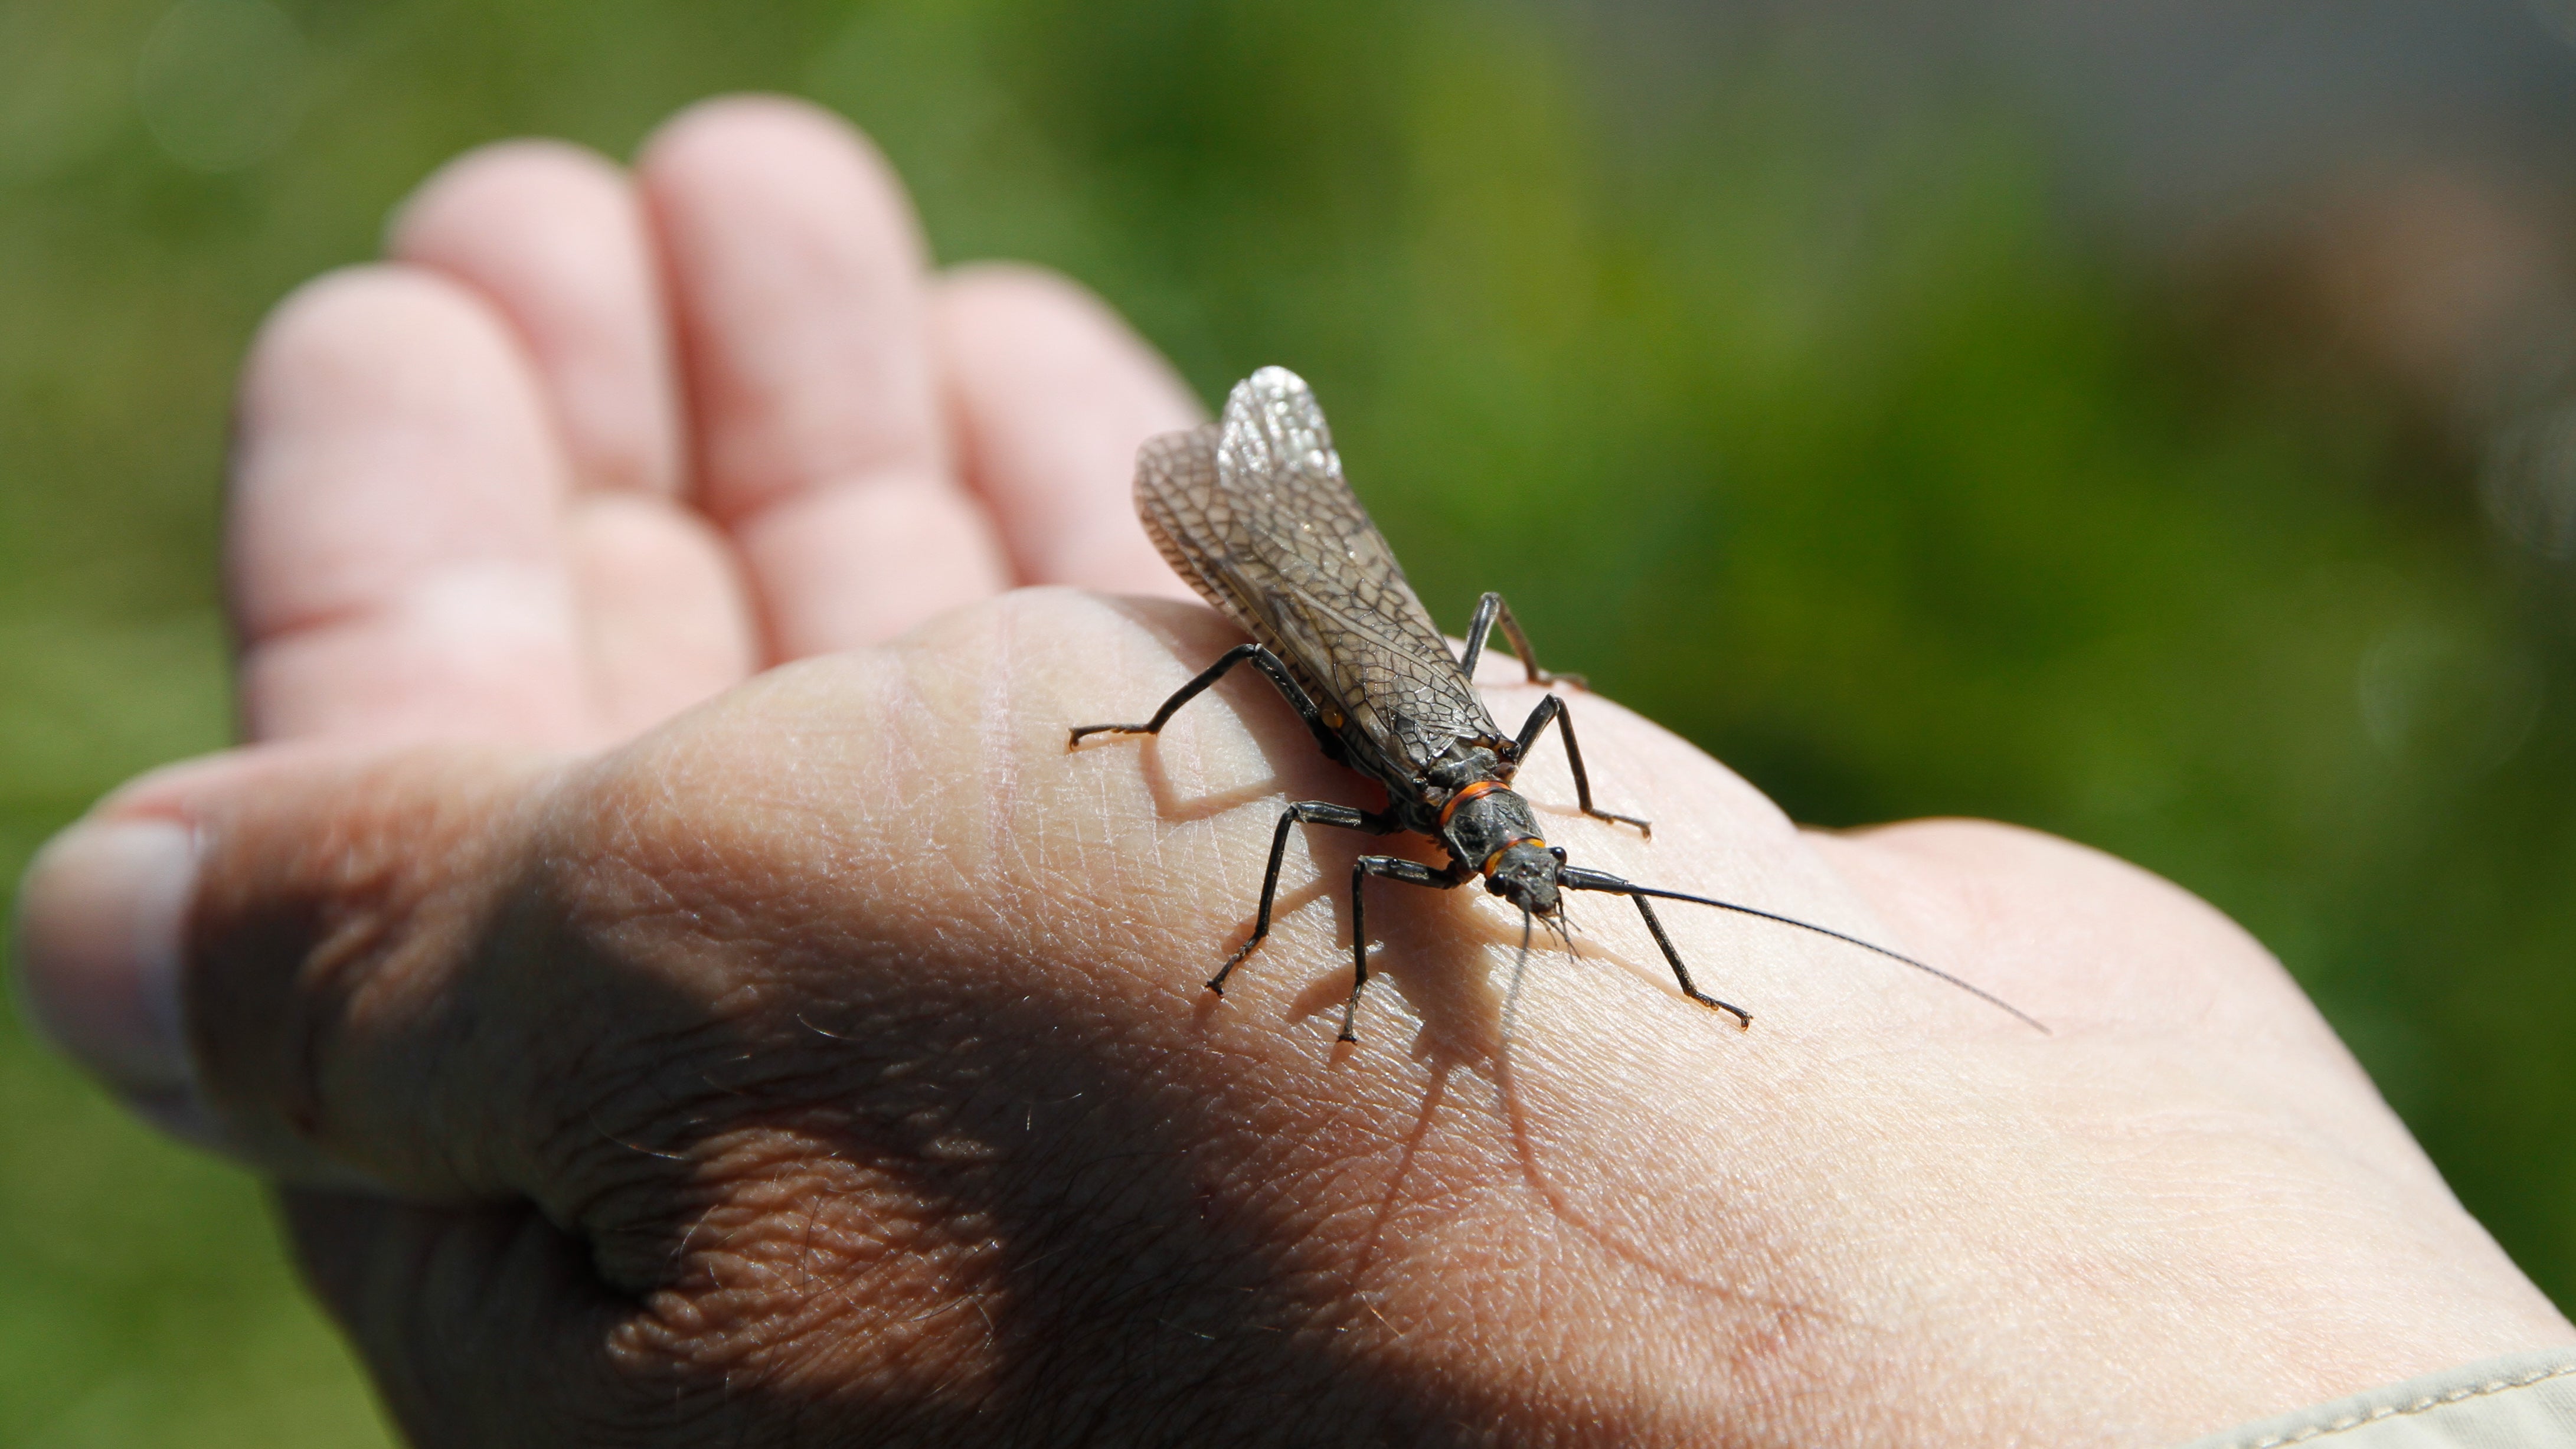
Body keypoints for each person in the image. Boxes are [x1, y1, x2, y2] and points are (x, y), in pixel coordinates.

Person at [13, 96, 2574, 1447]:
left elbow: (1537, 865)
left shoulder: (1501, 815)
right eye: (1492, 863)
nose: (1498, 891)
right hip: (1295, 613)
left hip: (1412, 666)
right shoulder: (1396, 802)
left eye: (1503, 860)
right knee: (1270, 723)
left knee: (1486, 771)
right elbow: (1350, 844)